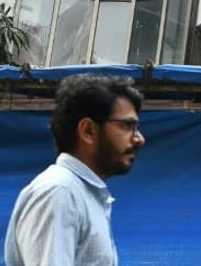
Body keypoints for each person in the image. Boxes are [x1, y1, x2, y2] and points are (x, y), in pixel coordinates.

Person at [5, 74, 146, 266]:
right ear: (88, 130)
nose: (139, 139)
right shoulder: (59, 192)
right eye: (127, 126)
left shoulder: (83, 194)